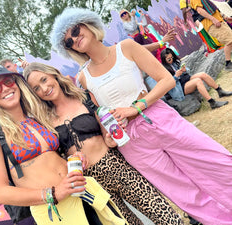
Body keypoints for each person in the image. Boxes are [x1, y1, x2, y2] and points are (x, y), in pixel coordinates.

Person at [50, 7, 232, 225]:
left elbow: (167, 80)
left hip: (158, 118)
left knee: (216, 162)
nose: (74, 39)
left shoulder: (126, 47)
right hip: (131, 142)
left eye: (75, 30)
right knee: (183, 194)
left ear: (88, 25)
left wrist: (137, 106)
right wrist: (107, 134)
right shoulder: (83, 77)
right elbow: (102, 112)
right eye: (68, 41)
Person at [23, 62, 183, 225]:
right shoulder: (42, 120)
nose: (43, 89)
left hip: (116, 166)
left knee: (163, 214)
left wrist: (109, 138)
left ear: (53, 75)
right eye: (36, 88)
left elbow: (106, 131)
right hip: (89, 182)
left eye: (44, 80)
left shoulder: (84, 97)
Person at [0, 64, 128, 225]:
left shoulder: (35, 117)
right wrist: (52, 194)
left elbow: (51, 159)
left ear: (16, 83)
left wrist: (74, 159)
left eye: (8, 81)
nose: (5, 89)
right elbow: (0, 192)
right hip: (55, 211)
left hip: (84, 192)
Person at [160, 47, 232, 109]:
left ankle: (220, 91)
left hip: (185, 80)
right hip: (179, 88)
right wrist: (176, 76)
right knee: (197, 81)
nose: (171, 60)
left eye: (172, 57)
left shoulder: (175, 62)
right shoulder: (164, 70)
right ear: (164, 60)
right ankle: (212, 102)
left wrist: (185, 70)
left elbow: (187, 71)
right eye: (169, 59)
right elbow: (167, 84)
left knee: (203, 74)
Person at [190, 0, 232, 71]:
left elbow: (214, 9)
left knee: (230, 40)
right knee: (229, 41)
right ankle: (228, 63)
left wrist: (225, 17)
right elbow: (200, 11)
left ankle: (228, 63)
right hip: (212, 24)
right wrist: (213, 19)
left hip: (218, 21)